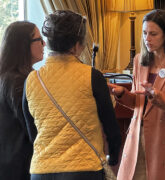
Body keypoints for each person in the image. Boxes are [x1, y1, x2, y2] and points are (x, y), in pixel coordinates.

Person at [22, 10, 121, 180]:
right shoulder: (91, 76)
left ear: (48, 42)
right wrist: (113, 156)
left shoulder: (32, 79)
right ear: (76, 45)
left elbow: (32, 131)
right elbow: (111, 126)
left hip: (42, 170)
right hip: (84, 169)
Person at [109, 9, 165, 180]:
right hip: (137, 138)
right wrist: (121, 93)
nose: (147, 39)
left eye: (153, 34)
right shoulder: (140, 60)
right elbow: (138, 103)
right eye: (145, 33)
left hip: (164, 141)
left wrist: (157, 96)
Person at [0, 21, 45, 180]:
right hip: (18, 166)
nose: (44, 44)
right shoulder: (18, 81)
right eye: (39, 39)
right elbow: (32, 124)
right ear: (23, 45)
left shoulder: (9, 76)